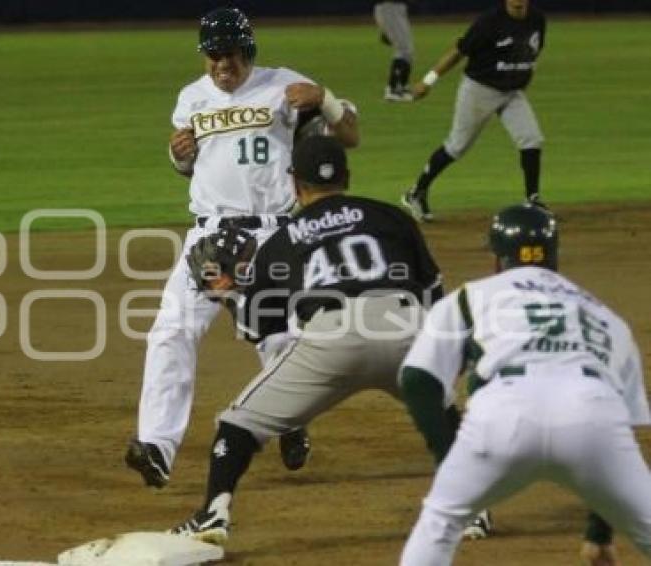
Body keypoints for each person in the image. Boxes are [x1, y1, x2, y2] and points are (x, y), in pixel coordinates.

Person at [169, 135, 447, 545]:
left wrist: (228, 293)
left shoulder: (283, 240)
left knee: (237, 425)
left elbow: (258, 329)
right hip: (406, 324)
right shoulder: (391, 216)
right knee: (450, 421)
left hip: (331, 338)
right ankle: (475, 511)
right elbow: (435, 294)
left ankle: (213, 513)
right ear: (347, 177)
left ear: (294, 182)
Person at [125, 7, 360, 489]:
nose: (220, 65)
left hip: (270, 234)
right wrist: (177, 156)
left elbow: (350, 135)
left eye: (228, 55)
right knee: (171, 330)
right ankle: (156, 446)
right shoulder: (191, 97)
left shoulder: (285, 85)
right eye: (212, 56)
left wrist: (327, 99)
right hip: (206, 235)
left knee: (275, 336)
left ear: (247, 51)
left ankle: (291, 419)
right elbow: (191, 165)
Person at [398, 203, 651, 565]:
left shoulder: (471, 295)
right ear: (554, 256)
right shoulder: (605, 315)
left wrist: (447, 458)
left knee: (440, 522)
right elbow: (624, 424)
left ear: (497, 259)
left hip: (504, 414)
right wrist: (599, 535)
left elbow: (417, 378)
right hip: (593, 414)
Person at [401, 0, 547, 222]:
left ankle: (533, 199)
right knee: (457, 146)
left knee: (531, 139)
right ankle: (416, 192)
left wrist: (522, 76)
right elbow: (458, 52)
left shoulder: (537, 20)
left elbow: (532, 52)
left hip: (511, 92)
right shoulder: (489, 22)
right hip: (480, 89)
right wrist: (428, 81)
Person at [374, 0, 416, 102]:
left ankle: (402, 87)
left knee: (408, 50)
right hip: (390, 7)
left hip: (396, 8)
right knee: (404, 50)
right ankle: (392, 89)